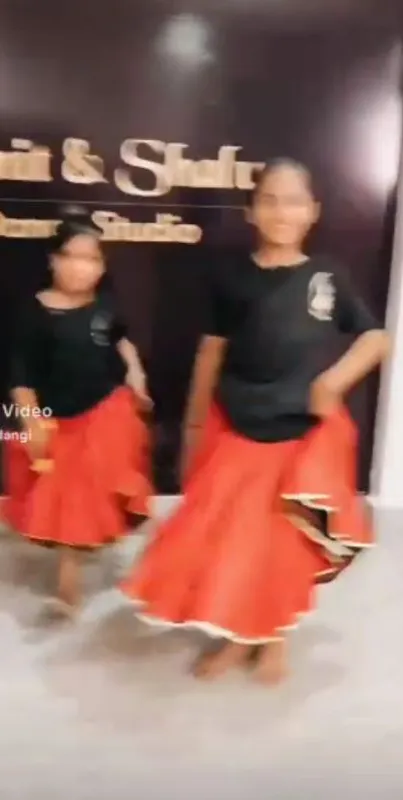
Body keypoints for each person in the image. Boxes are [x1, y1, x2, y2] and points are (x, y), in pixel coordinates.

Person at [120, 159, 389, 683]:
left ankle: (273, 639)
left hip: (299, 435)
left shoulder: (327, 276)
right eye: (269, 199)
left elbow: (376, 337)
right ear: (251, 211)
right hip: (237, 425)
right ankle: (234, 637)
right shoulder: (230, 277)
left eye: (293, 200)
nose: (281, 211)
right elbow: (211, 354)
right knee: (231, 543)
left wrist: (334, 381)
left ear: (312, 211)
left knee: (281, 546)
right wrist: (194, 429)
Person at [2, 206, 153, 617]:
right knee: (64, 496)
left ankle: (78, 562)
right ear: (53, 259)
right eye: (71, 256)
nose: (81, 268)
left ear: (102, 265)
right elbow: (20, 373)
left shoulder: (107, 306)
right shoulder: (33, 312)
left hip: (106, 411)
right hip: (54, 418)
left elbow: (124, 342)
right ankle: (69, 572)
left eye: (91, 259)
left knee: (90, 486)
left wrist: (136, 376)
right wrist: (29, 419)